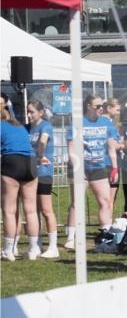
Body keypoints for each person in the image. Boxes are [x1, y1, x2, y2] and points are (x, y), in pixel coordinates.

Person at [65, 94, 119, 251]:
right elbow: (71, 148)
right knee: (77, 203)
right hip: (80, 168)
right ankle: (70, 238)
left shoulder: (106, 123)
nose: (101, 109)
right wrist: (78, 168)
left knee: (105, 201)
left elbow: (111, 147)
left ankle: (107, 237)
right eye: (97, 106)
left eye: (102, 106)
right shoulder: (77, 123)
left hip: (98, 168)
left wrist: (114, 167)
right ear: (89, 107)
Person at [1, 108, 40, 260]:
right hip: (30, 161)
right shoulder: (19, 126)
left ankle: (8, 251)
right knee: (31, 210)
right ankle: (33, 250)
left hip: (12, 161)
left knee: (9, 210)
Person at [27, 100, 59, 258]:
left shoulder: (45, 126)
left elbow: (42, 142)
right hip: (30, 174)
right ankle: (37, 243)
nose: (29, 114)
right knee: (34, 211)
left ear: (40, 112)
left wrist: (40, 155)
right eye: (28, 111)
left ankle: (53, 247)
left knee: (46, 210)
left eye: (32, 111)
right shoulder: (28, 128)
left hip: (44, 172)